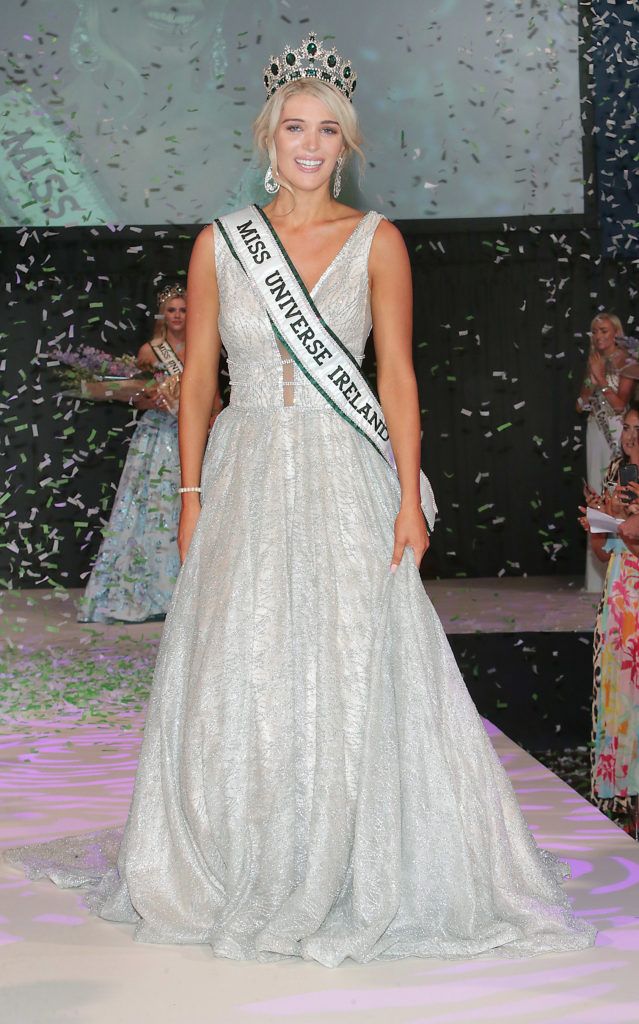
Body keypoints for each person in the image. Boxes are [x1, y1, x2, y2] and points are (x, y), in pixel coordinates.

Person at [6, 33, 595, 964]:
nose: (310, 144)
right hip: (243, 471)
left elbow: (395, 378)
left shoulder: (378, 243)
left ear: (346, 143)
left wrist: (408, 495)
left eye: (327, 130)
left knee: (355, 654)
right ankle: (243, 849)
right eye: (294, 127)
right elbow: (198, 380)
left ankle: (360, 854)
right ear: (266, 137)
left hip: (341, 472)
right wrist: (191, 492)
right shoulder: (221, 244)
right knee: (242, 657)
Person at [76, 283, 186, 623]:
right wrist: (150, 399)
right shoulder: (151, 351)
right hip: (156, 435)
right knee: (148, 507)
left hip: (187, 434)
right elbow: (135, 396)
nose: (178, 316)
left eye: (183, 309)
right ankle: (142, 592)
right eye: (172, 310)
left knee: (181, 509)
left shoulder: (201, 347)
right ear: (162, 315)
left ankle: (181, 596)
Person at [582, 403, 639, 831]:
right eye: (628, 429)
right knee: (617, 698)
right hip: (618, 601)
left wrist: (622, 525)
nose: (631, 437)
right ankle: (623, 798)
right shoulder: (619, 475)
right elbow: (605, 553)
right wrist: (601, 527)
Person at [576, 312, 633, 591]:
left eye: (604, 331)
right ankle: (597, 577)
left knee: (620, 492)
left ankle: (623, 564)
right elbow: (580, 404)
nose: (599, 336)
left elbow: (622, 404)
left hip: (618, 434)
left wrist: (600, 379)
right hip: (595, 431)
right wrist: (589, 384)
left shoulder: (626, 360)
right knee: (598, 493)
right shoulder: (593, 361)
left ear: (615, 333)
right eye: (595, 331)